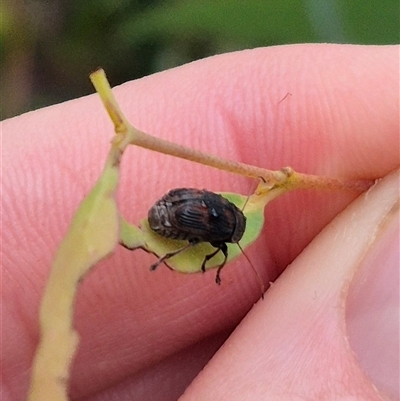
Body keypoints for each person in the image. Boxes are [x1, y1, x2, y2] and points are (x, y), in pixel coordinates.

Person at [2, 44, 399, 400]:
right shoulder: (223, 232)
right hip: (172, 215)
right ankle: (166, 247)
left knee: (195, 231)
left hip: (174, 206)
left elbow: (205, 216)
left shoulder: (228, 218)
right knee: (196, 238)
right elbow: (206, 242)